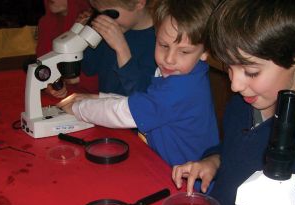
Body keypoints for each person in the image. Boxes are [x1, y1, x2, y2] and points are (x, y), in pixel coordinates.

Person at [171, 0, 295, 205]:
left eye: (251, 71)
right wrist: (213, 160)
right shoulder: (247, 100)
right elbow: (232, 148)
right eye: (228, 67)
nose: (235, 85)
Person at [58, 0, 219, 171]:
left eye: (184, 51)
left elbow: (125, 112)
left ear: (205, 52)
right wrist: (99, 98)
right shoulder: (182, 73)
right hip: (164, 165)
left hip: (186, 182)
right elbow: (145, 101)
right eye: (163, 45)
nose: (169, 59)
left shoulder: (183, 88)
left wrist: (77, 108)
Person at [47, 0, 157, 99]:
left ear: (139, 3)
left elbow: (144, 96)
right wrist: (80, 35)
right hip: (104, 111)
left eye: (110, 14)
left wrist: (121, 48)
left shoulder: (161, 41)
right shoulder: (110, 28)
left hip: (132, 115)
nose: (104, 20)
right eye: (98, 13)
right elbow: (89, 68)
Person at [36, 0, 98, 96]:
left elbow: (107, 71)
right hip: (66, 94)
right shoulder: (46, 23)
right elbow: (43, 64)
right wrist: (48, 85)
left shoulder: (92, 21)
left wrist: (81, 79)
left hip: (94, 95)